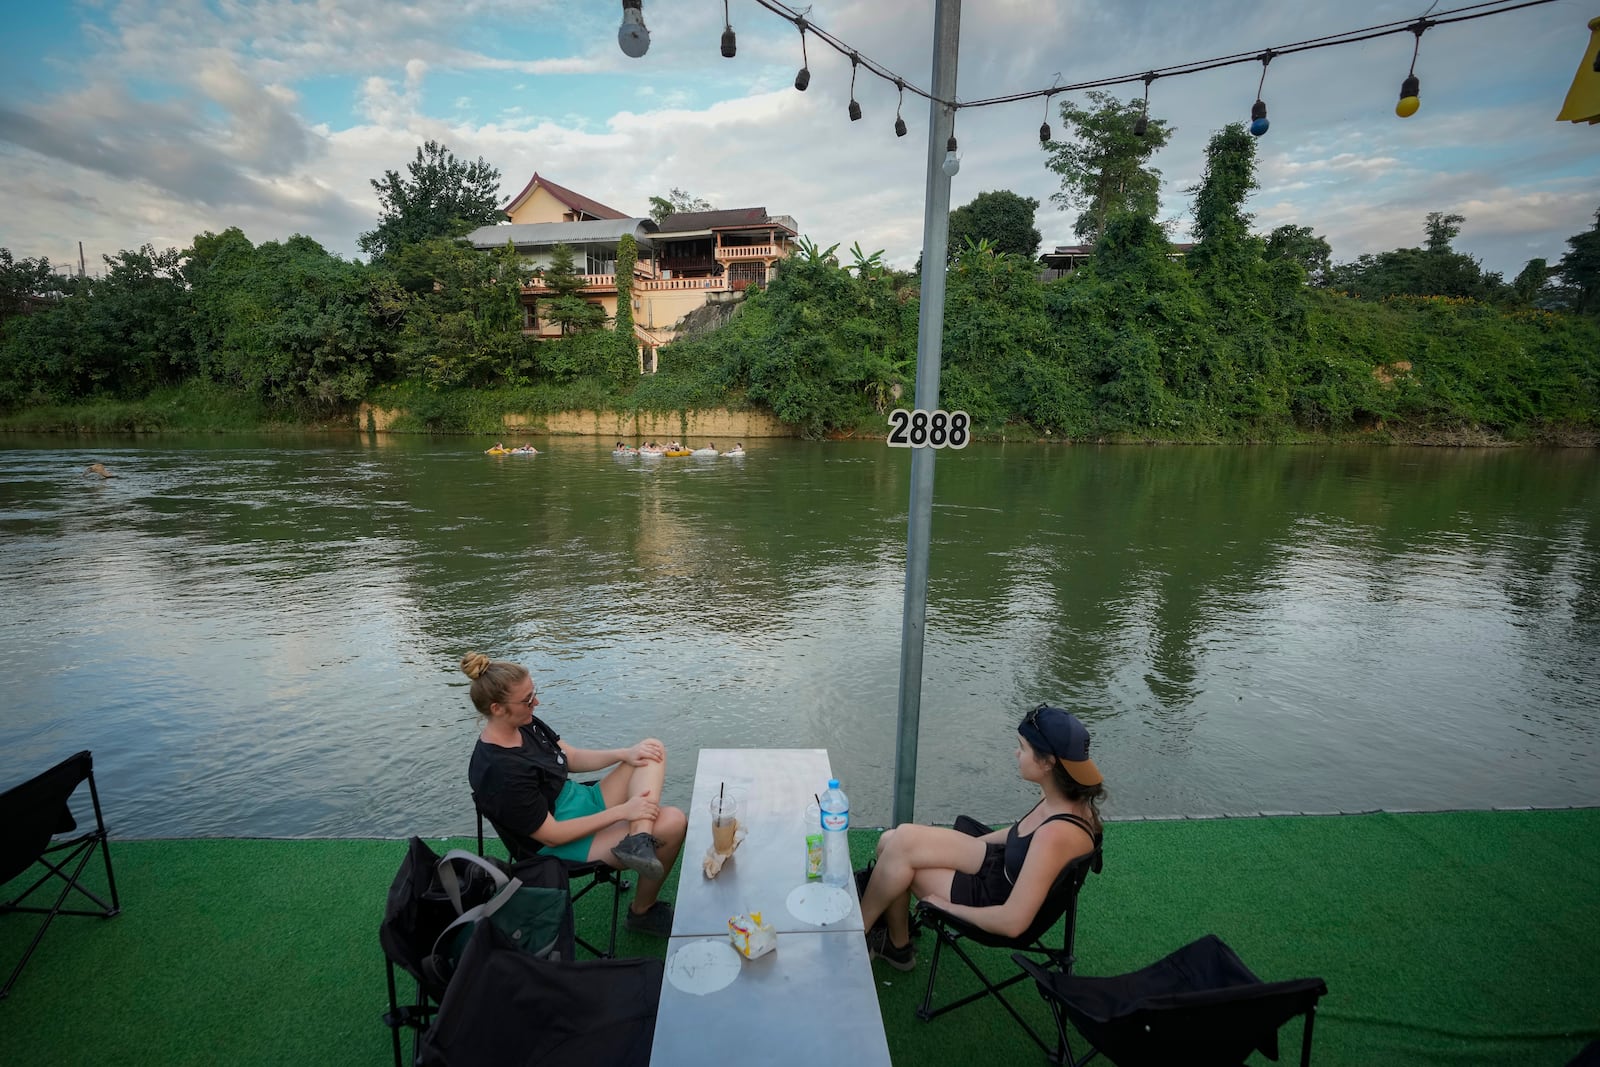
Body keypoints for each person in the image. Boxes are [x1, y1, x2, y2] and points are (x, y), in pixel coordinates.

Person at [857, 704, 1104, 971]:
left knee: (898, 858)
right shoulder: (1065, 798)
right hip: (1002, 866)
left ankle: (856, 938)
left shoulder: (1056, 834)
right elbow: (1017, 836)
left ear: (1047, 762)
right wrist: (965, 845)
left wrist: (946, 908)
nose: (1016, 753)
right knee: (893, 840)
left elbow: (1012, 922)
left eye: (1023, 748)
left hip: (995, 901)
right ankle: (895, 946)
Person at [461, 652, 686, 936]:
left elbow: (569, 756)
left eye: (534, 694)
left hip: (578, 800)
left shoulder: (523, 722)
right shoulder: (500, 771)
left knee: (650, 750)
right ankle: (642, 912)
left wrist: (625, 754)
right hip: (559, 843)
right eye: (528, 700)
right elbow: (551, 835)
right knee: (673, 822)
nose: (536, 703)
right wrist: (622, 812)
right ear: (497, 708)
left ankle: (638, 840)